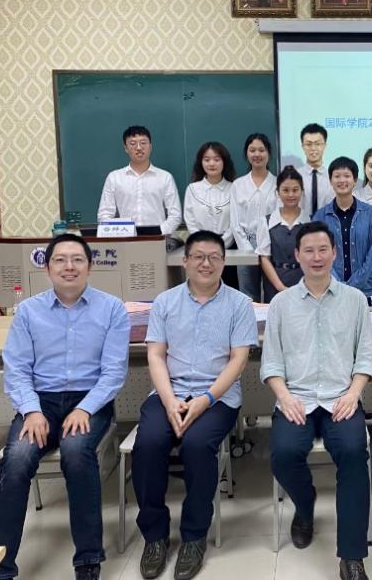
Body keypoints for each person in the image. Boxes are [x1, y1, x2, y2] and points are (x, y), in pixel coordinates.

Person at [0, 234, 130, 580]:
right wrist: (31, 410)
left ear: (90, 267)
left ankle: (88, 559)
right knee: (16, 459)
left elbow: (113, 373)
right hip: (40, 403)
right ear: (47, 268)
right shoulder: (28, 312)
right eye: (60, 260)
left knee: (77, 452)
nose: (69, 267)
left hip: (89, 401)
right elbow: (17, 369)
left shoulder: (112, 309)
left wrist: (85, 409)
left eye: (77, 260)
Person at [132, 230, 257, 580]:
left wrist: (206, 399)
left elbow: (238, 360)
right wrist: (170, 401)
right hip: (169, 393)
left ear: (224, 262)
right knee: (149, 444)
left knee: (198, 445)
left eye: (214, 257)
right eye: (198, 256)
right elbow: (155, 356)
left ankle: (194, 536)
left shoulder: (239, 304)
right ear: (185, 261)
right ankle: (155, 536)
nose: (206, 263)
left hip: (217, 397)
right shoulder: (165, 302)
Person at [260, 221, 372, 580]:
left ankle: (352, 556)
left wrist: (354, 393)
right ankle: (305, 505)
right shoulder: (281, 304)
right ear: (296, 255)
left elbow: (365, 359)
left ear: (334, 253)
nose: (316, 256)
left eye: (323, 249)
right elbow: (271, 363)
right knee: (283, 454)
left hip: (342, 398)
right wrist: (284, 396)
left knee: (353, 453)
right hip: (297, 398)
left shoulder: (356, 300)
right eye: (308, 250)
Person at [313, 156, 372, 296]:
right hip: (330, 290)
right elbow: (319, 254)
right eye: (337, 176)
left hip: (365, 291)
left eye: (347, 176)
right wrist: (338, 285)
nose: (342, 180)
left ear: (355, 180)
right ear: (330, 180)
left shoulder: (369, 214)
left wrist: (353, 284)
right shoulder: (320, 217)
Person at [97, 125, 182, 234]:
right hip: (125, 239)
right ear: (126, 148)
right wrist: (119, 233)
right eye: (133, 143)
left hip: (157, 239)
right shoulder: (114, 178)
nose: (139, 148)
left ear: (150, 147)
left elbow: (175, 215)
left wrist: (158, 232)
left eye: (143, 143)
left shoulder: (165, 177)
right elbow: (104, 215)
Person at [231, 133, 277, 301]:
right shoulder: (238, 185)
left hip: (272, 247)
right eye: (252, 150)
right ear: (247, 153)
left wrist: (266, 246)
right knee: (248, 296)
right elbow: (235, 222)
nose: (257, 154)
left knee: (272, 293)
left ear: (268, 153)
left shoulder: (278, 184)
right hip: (246, 245)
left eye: (261, 150)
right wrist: (247, 249)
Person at [257, 166, 308, 302]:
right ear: (277, 192)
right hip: (274, 285)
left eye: (295, 190)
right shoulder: (267, 222)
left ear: (302, 192)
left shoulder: (310, 221)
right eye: (285, 190)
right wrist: (281, 287)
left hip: (304, 284)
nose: (291, 195)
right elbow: (264, 258)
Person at [183, 142, 235, 245]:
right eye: (207, 160)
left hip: (228, 247)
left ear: (224, 162)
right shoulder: (192, 189)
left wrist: (221, 244)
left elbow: (235, 223)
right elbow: (190, 221)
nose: (211, 164)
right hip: (199, 244)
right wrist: (203, 244)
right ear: (201, 162)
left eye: (217, 160)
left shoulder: (234, 188)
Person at [298, 123, 334, 219]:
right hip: (301, 226)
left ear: (324, 146)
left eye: (318, 144)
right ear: (302, 146)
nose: (313, 148)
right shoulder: (295, 176)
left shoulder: (333, 177)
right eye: (308, 144)